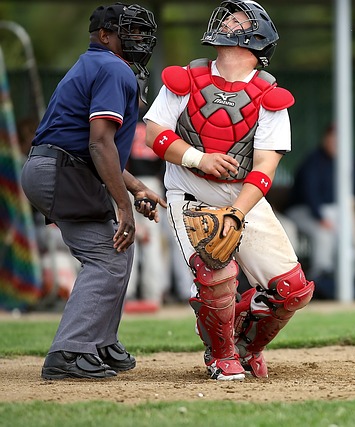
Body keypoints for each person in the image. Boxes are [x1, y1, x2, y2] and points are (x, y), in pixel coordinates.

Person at [144, 0, 314, 381]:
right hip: (189, 193)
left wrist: (237, 213)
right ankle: (220, 356)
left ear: (256, 39)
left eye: (238, 20)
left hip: (243, 199)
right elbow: (154, 135)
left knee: (292, 290)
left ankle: (247, 346)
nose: (227, 22)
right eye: (228, 17)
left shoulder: (270, 97)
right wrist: (198, 159)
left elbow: (266, 166)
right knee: (216, 273)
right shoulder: (186, 78)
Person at [20, 3, 163, 380]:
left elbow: (97, 150)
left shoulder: (96, 64)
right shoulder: (114, 67)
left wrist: (134, 187)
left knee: (117, 249)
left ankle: (99, 342)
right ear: (104, 35)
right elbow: (100, 144)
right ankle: (69, 352)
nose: (138, 39)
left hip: (57, 168)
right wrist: (124, 207)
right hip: (62, 171)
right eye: (127, 32)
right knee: (106, 255)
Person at [286, 125, 355, 299]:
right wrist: (320, 217)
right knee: (325, 232)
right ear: (325, 139)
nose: (335, 143)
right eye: (332, 138)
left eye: (339, 140)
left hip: (339, 212)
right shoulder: (313, 161)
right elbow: (309, 194)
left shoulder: (350, 161)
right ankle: (322, 276)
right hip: (304, 211)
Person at [124, 111, 170, 312]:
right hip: (152, 184)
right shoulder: (154, 120)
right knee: (151, 241)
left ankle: (128, 292)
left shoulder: (125, 119)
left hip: (129, 182)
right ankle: (154, 292)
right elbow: (166, 159)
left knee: (127, 236)